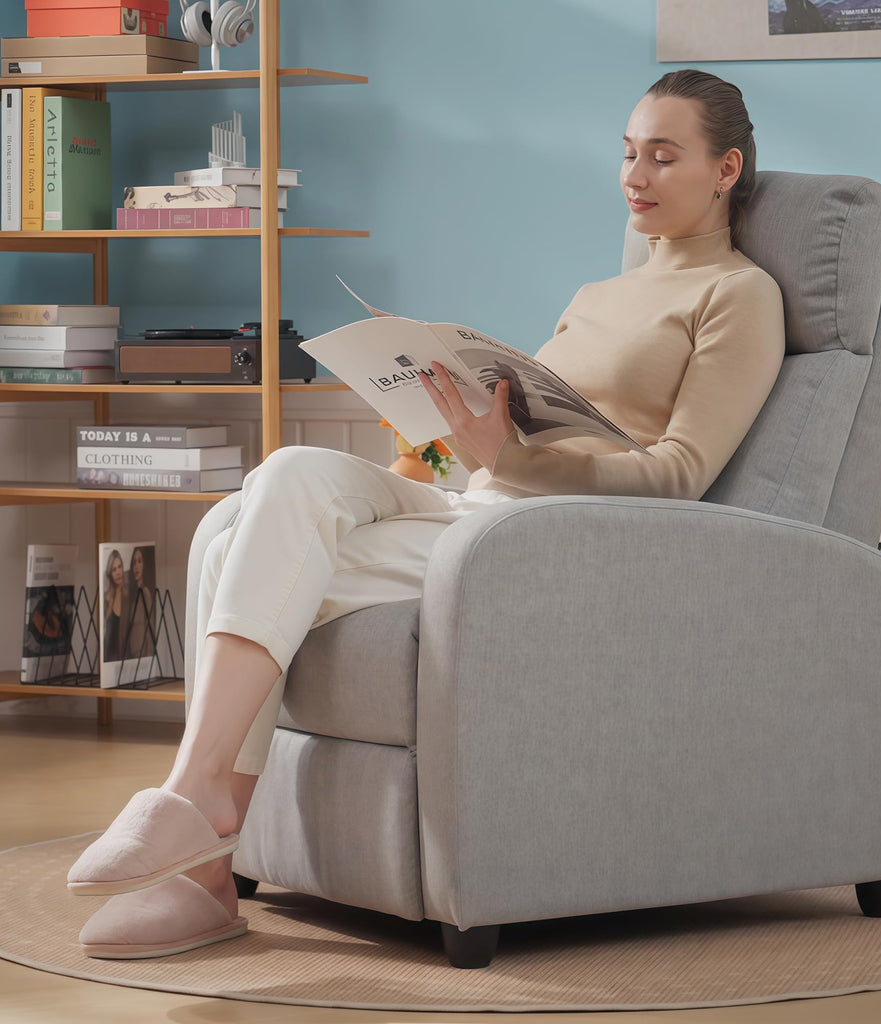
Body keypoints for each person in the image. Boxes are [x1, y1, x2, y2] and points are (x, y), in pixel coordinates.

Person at [68, 69, 786, 959]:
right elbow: (528, 428)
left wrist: (513, 457)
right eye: (629, 154)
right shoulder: (599, 294)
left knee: (241, 544)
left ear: (727, 169)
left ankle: (204, 856)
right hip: (472, 503)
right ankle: (200, 821)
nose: (635, 176)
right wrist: (456, 417)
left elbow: (681, 472)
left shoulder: (739, 295)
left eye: (664, 157)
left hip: (553, 542)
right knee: (282, 479)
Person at [125, 546, 156, 659]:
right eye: (134, 562)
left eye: (139, 561)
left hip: (142, 652)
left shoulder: (145, 593)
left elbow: (150, 627)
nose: (136, 566)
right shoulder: (129, 594)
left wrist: (149, 653)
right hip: (129, 652)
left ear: (143, 565)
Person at [101, 549, 128, 663]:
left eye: (119, 567)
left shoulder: (128, 595)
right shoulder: (106, 598)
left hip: (126, 657)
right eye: (113, 569)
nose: (118, 572)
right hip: (109, 658)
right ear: (110, 574)